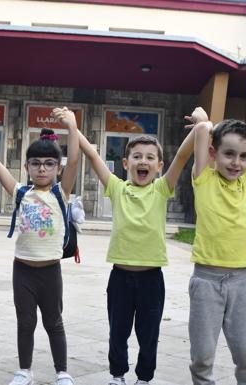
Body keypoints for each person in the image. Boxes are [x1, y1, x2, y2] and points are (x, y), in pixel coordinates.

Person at [77, 107, 206, 385]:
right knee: (118, 331)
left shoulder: (161, 189)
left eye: (150, 158)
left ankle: (144, 378)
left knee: (149, 333)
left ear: (159, 166)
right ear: (126, 163)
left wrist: (201, 126)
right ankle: (118, 375)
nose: (142, 161)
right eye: (136, 157)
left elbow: (183, 156)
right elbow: (92, 155)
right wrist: (72, 127)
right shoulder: (117, 188)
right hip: (120, 278)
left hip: (151, 279)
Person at [0, 106, 78, 385]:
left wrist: (72, 127)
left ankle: (62, 372)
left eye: (49, 163)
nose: (42, 168)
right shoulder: (20, 193)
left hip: (50, 272)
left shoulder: (61, 193)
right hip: (23, 271)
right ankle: (24, 370)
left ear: (57, 168)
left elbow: (74, 159)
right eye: (36, 163)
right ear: (27, 167)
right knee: (25, 323)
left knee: (54, 323)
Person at [189, 117, 246, 385]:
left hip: (241, 281)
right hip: (206, 280)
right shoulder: (203, 177)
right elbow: (203, 129)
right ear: (213, 153)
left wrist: (239, 133)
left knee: (245, 354)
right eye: (229, 154)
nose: (236, 163)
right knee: (202, 356)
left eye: (243, 156)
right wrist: (215, 128)